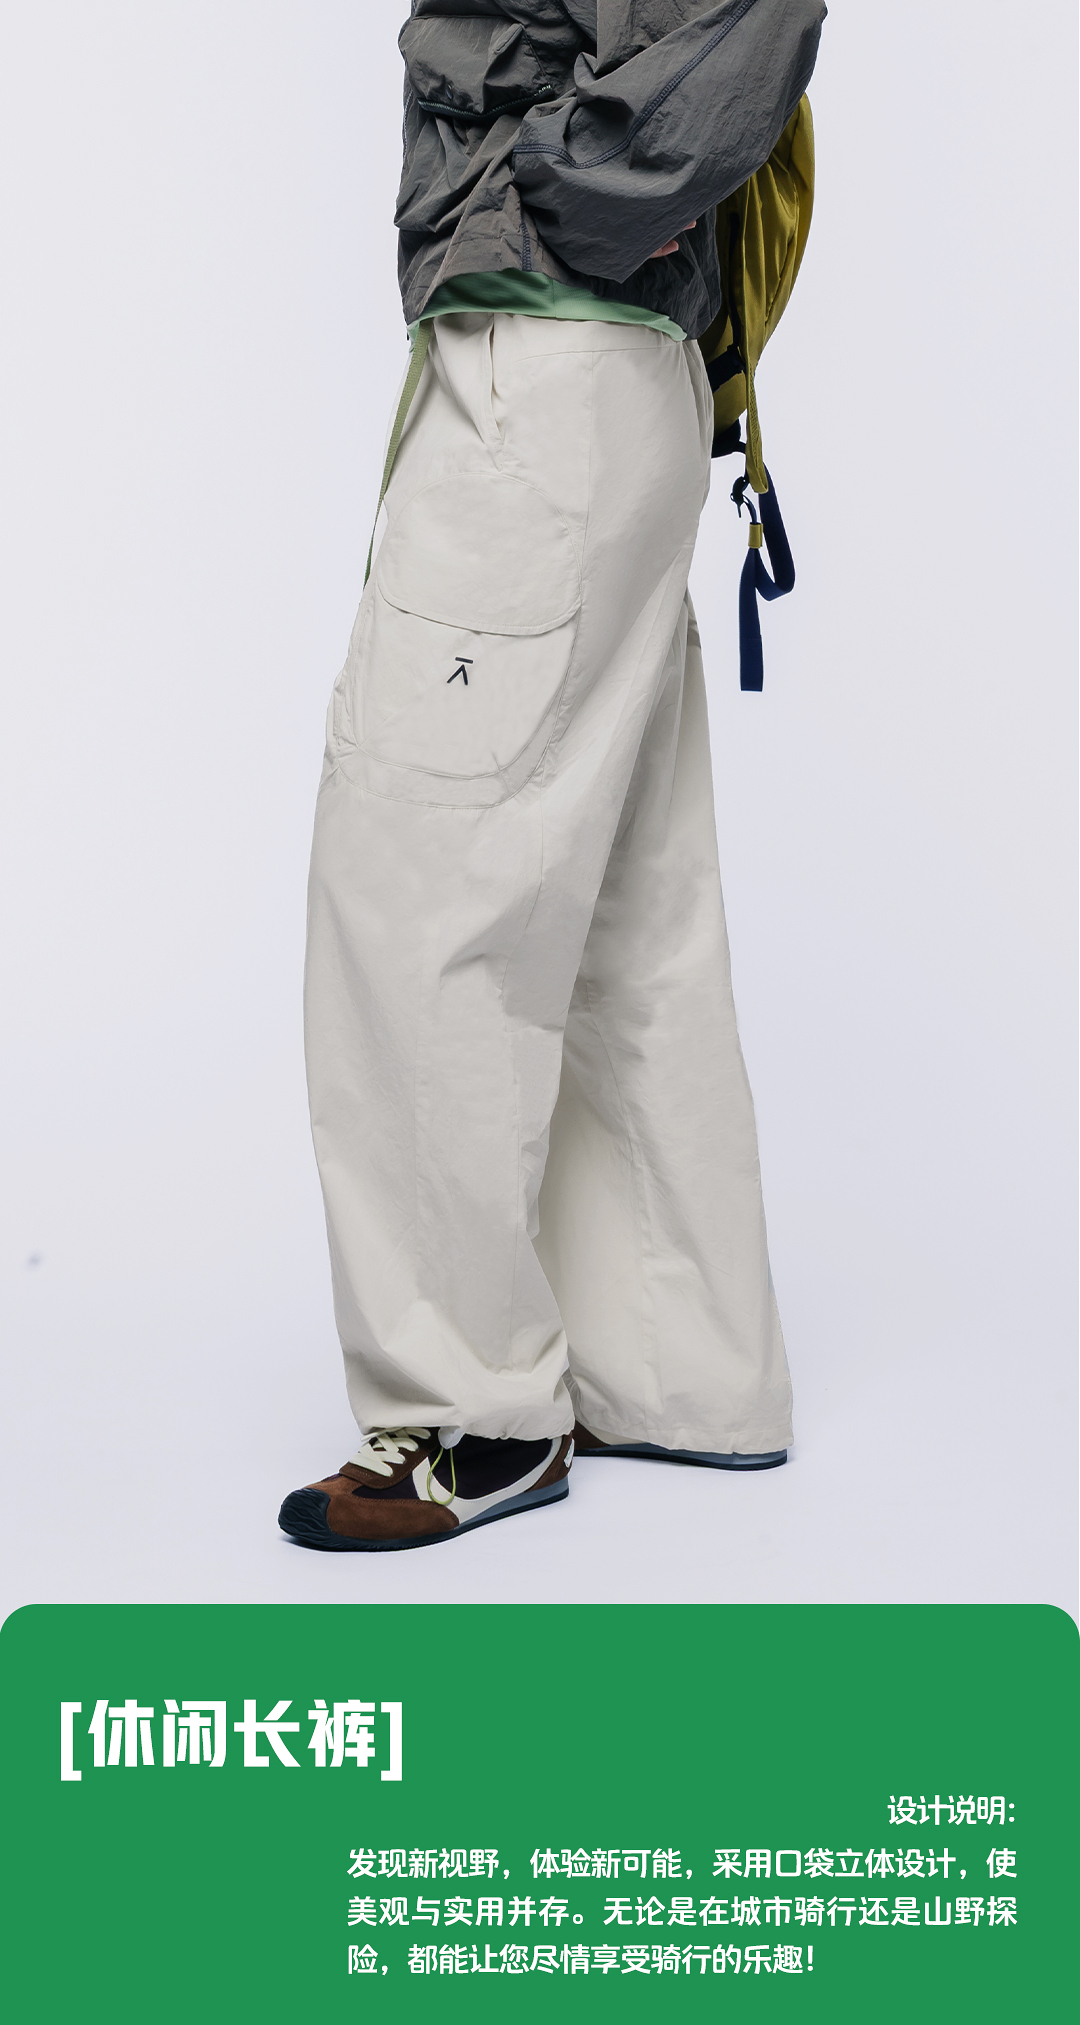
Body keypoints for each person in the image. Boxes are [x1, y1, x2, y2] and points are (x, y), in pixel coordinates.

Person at [279, 0, 826, 1552]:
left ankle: (471, 1410)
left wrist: (553, 195)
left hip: (550, 352)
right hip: (603, 365)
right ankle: (679, 1369)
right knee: (622, 912)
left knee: (420, 887)